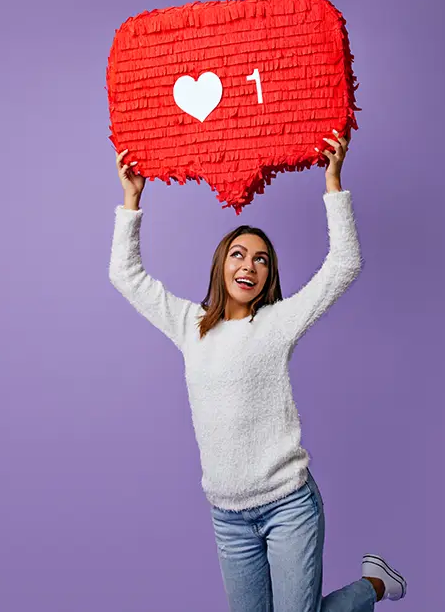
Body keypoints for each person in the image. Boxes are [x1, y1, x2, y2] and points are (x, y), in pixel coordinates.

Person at [108, 130, 407, 612]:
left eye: (261, 260)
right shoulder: (189, 325)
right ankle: (373, 583)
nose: (249, 266)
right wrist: (131, 198)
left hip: (289, 505)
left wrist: (333, 181)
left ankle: (372, 586)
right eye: (238, 254)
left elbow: (344, 264)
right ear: (221, 265)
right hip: (227, 516)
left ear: (269, 276)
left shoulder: (276, 323)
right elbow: (125, 276)